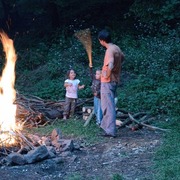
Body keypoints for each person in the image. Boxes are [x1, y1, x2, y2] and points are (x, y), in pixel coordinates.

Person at [98, 29, 124, 137]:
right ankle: (106, 127)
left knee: (108, 106)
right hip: (114, 80)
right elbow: (123, 58)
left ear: (102, 40)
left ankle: (110, 131)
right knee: (109, 105)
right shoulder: (116, 48)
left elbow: (111, 63)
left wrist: (106, 75)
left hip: (108, 82)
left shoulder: (109, 51)